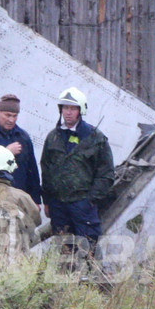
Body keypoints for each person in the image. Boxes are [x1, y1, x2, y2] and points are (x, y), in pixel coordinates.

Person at [39, 87, 114, 255]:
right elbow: (46, 169)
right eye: (65, 108)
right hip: (58, 206)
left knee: (88, 247)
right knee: (63, 248)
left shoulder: (95, 138)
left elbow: (106, 173)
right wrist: (48, 201)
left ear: (81, 110)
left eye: (73, 108)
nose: (68, 113)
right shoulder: (53, 137)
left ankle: (91, 279)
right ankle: (67, 279)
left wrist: (90, 200)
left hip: (82, 204)